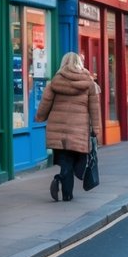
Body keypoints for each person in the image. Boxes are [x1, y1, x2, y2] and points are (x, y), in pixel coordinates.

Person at [35, 52, 100, 202]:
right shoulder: (89, 84)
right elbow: (94, 110)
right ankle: (65, 188)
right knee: (76, 162)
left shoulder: (54, 83)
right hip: (79, 132)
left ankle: (63, 184)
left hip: (58, 132)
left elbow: (43, 107)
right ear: (80, 63)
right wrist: (96, 129)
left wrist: (40, 118)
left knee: (65, 161)